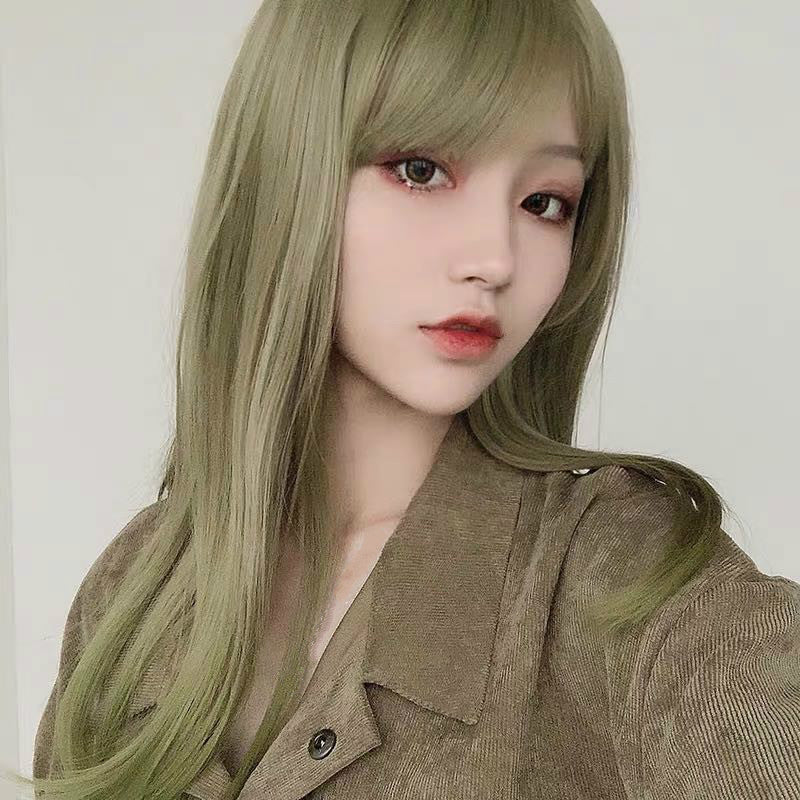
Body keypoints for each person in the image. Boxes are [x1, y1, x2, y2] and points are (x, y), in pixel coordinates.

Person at [5, 1, 799, 798]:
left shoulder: (627, 578)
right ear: (287, 172)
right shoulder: (136, 589)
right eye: (421, 171)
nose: (495, 259)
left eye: (545, 202)